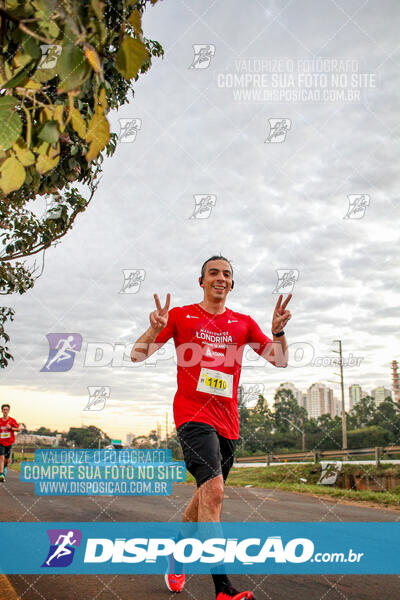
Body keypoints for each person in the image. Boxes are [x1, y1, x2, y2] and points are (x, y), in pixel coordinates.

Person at [131, 256, 292, 600]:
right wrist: (153, 327)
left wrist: (278, 331)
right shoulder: (179, 316)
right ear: (201, 281)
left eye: (227, 274)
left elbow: (280, 360)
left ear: (232, 284)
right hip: (192, 416)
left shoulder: (243, 323)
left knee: (205, 495)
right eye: (213, 273)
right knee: (215, 493)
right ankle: (223, 588)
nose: (221, 278)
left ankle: (178, 553)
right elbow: (136, 354)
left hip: (228, 422)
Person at [0, 404, 20, 482]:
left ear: (8, 411)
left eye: (6, 409)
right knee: (1, 457)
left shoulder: (12, 420)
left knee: (7, 460)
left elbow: (18, 429)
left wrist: (11, 428)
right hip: (1, 442)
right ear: (2, 411)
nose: (5, 411)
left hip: (9, 442)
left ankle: (4, 468)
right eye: (4, 409)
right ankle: (1, 474)